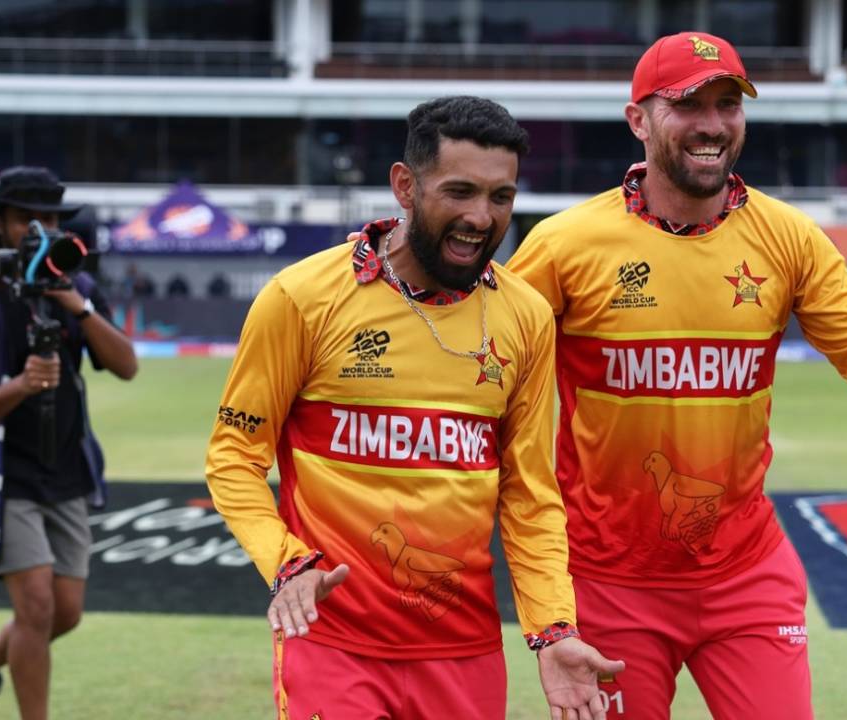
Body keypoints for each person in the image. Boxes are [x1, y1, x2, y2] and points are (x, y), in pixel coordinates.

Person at [506, 32, 847, 719]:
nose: (712, 125)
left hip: (745, 573)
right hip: (609, 581)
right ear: (638, 119)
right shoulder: (564, 244)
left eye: (728, 104)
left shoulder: (789, 237)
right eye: (688, 105)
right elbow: (483, 358)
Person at [205, 96, 623, 720]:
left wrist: (552, 628)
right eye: (459, 192)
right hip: (333, 646)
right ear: (406, 185)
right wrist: (286, 560)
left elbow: (530, 496)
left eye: (500, 197)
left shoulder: (527, 317)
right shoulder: (299, 298)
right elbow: (234, 457)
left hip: (464, 655)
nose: (480, 218)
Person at [0, 166, 138, 720]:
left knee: (64, 612)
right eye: (26, 217)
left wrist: (77, 305)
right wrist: (21, 385)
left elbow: (126, 365)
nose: (39, 229)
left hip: (65, 468)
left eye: (49, 218)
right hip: (6, 473)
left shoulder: (77, 285)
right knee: (36, 607)